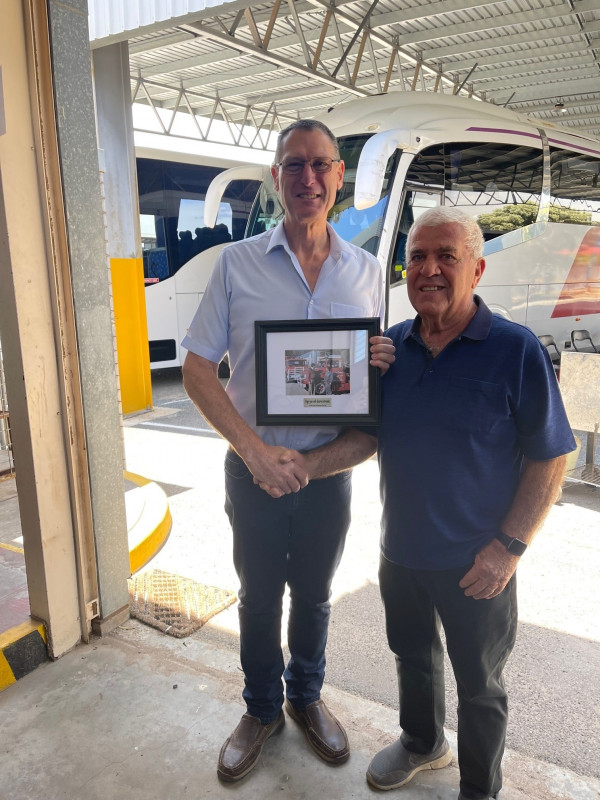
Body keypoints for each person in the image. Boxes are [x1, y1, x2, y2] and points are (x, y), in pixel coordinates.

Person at [181, 118, 395, 783]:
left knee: (315, 594)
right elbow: (196, 368)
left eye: (320, 164)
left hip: (328, 473)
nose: (308, 177)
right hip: (253, 472)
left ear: (339, 177)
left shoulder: (366, 272)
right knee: (258, 597)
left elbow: (368, 372)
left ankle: (305, 697)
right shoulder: (236, 264)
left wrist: (378, 359)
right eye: (294, 165)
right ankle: (260, 709)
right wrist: (252, 451)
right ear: (277, 178)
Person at [361, 207, 576, 799]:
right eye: (417, 257)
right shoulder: (391, 350)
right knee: (412, 657)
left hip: (478, 561)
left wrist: (508, 549)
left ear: (477, 270)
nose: (428, 269)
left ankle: (479, 789)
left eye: (446, 257)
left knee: (479, 685)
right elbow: (362, 434)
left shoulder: (514, 349)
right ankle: (421, 743)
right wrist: (293, 460)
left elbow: (551, 456)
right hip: (400, 551)